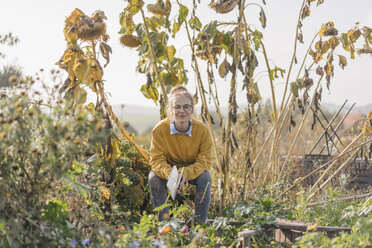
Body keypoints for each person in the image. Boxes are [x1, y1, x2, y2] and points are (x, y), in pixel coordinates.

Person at [148, 85, 212, 223]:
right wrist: (172, 174)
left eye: (186, 107)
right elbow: (156, 160)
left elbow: (205, 161)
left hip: (192, 170)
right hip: (168, 169)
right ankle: (165, 225)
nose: (181, 111)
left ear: (192, 109)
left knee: (205, 177)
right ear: (170, 110)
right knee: (153, 177)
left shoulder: (202, 130)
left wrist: (185, 173)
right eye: (177, 107)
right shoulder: (159, 130)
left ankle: (199, 225)